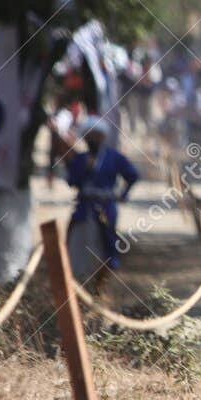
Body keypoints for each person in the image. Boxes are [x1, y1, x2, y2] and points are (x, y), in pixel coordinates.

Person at [65, 119, 140, 284]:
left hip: (106, 206)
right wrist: (85, 168)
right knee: (76, 241)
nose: (93, 140)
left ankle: (103, 279)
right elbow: (71, 180)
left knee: (107, 241)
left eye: (97, 136)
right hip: (84, 208)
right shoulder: (80, 158)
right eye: (89, 136)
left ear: (102, 137)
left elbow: (133, 175)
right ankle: (77, 278)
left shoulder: (114, 157)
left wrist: (123, 194)